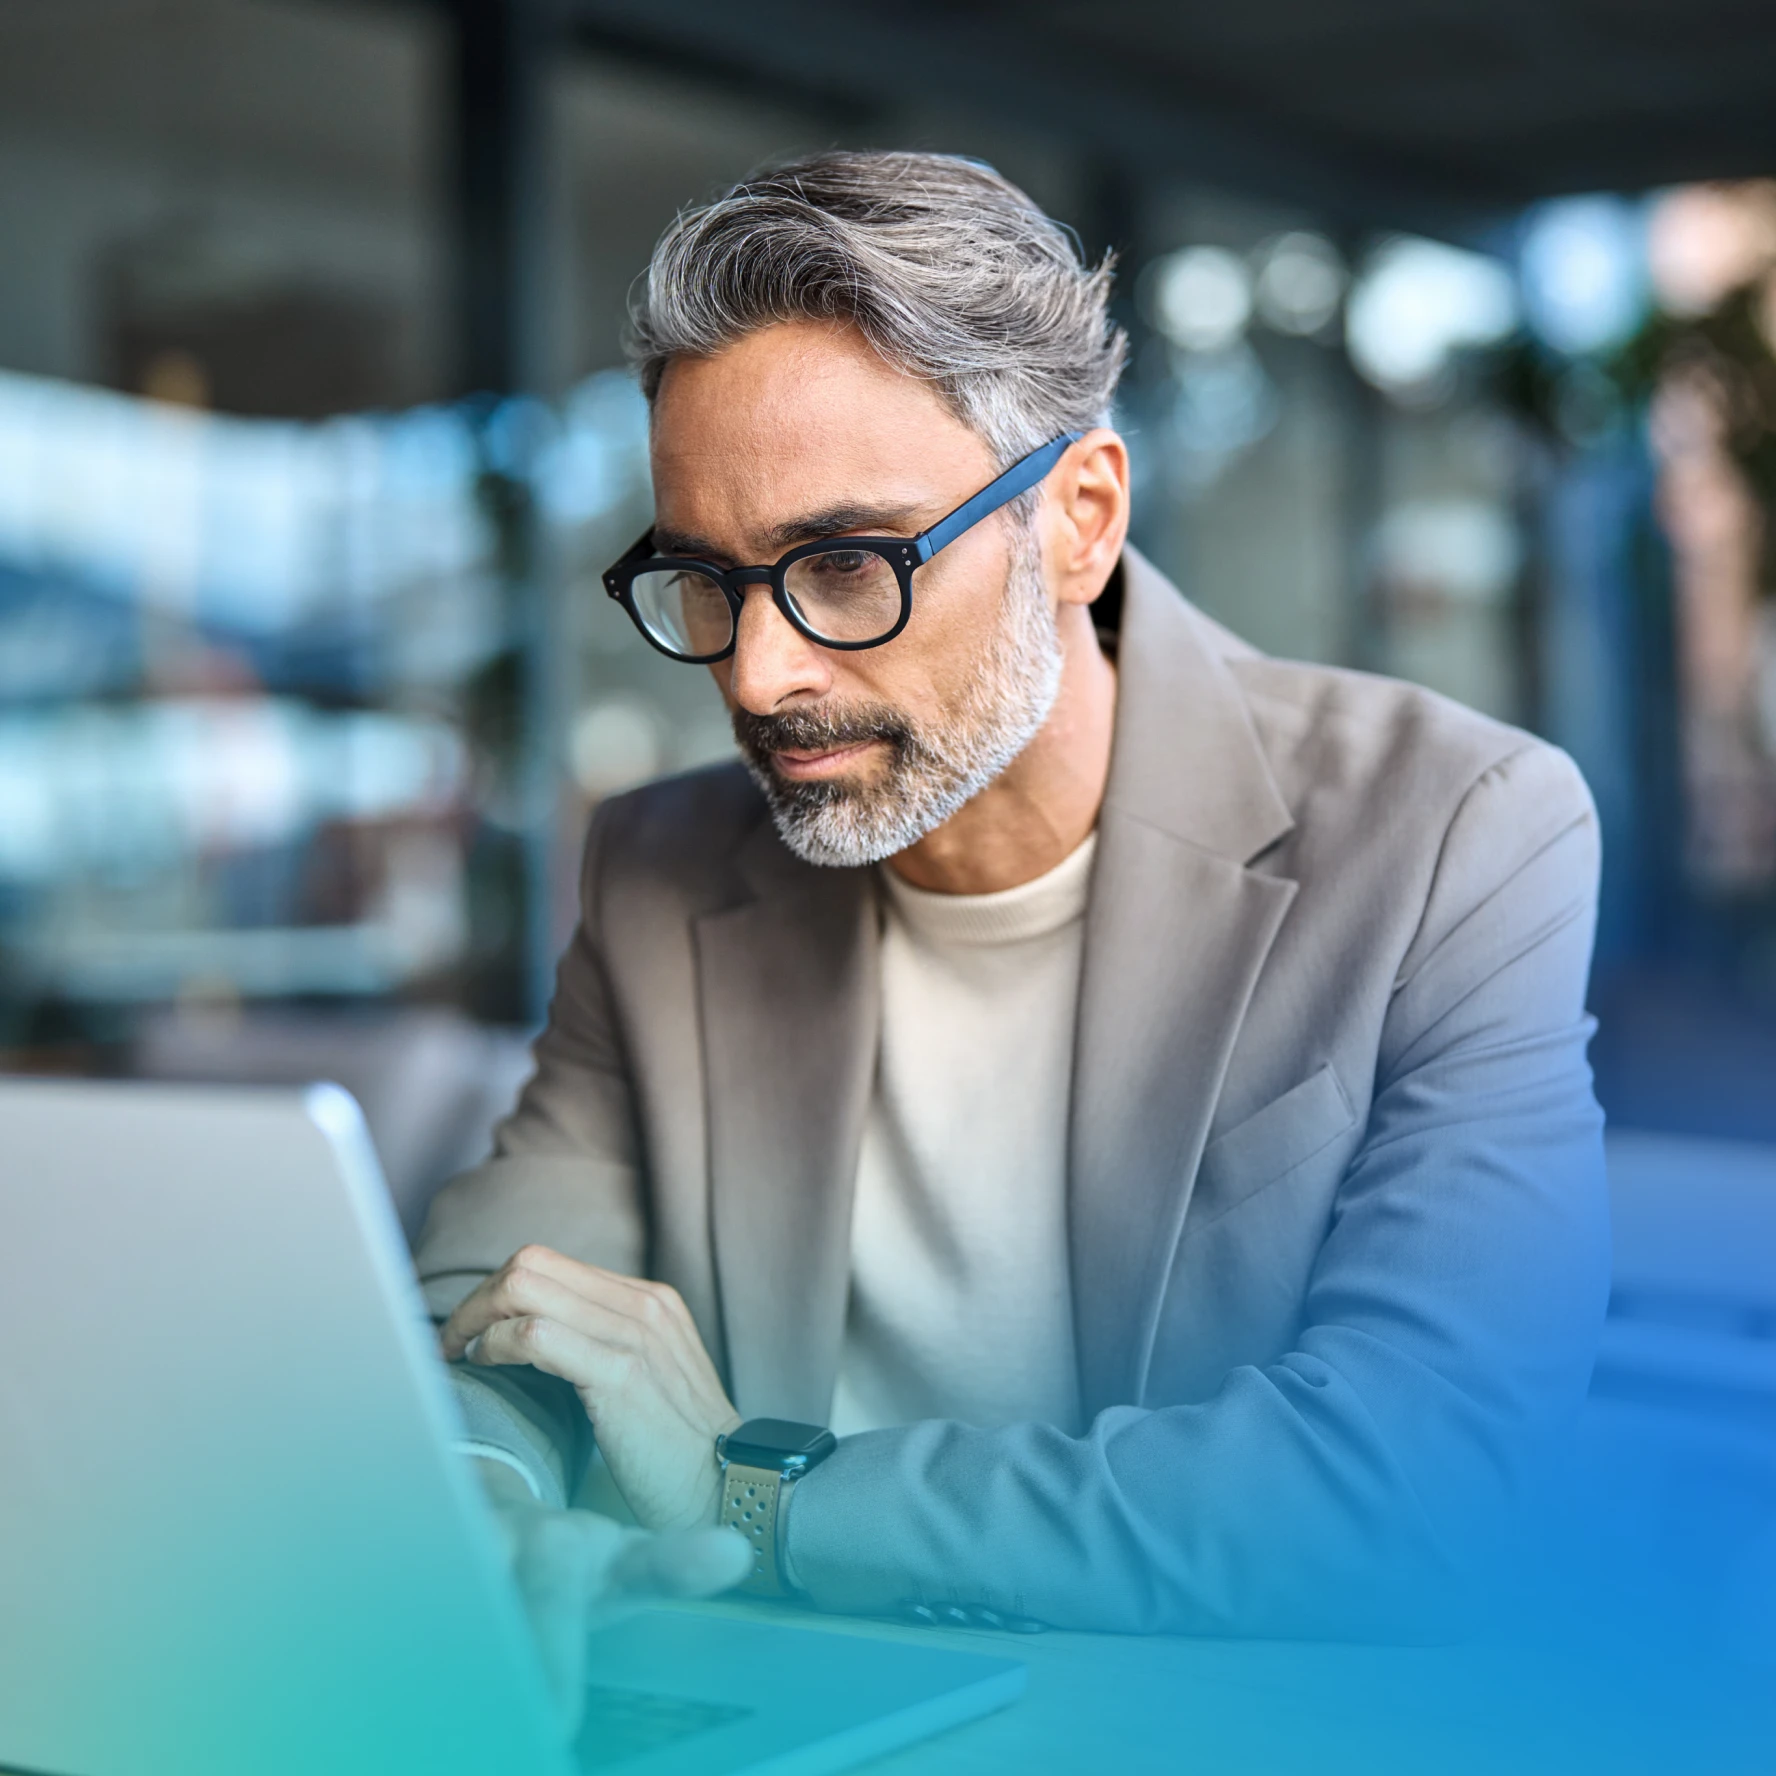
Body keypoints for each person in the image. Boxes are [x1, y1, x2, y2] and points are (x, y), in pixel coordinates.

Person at [417, 150, 1609, 1669]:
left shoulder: (1455, 830)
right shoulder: (662, 863)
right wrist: (487, 1490)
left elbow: (1413, 1479)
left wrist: (765, 1494)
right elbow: (502, 1300)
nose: (759, 675)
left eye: (847, 564)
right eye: (706, 580)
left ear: (1080, 519)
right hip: (795, 1710)